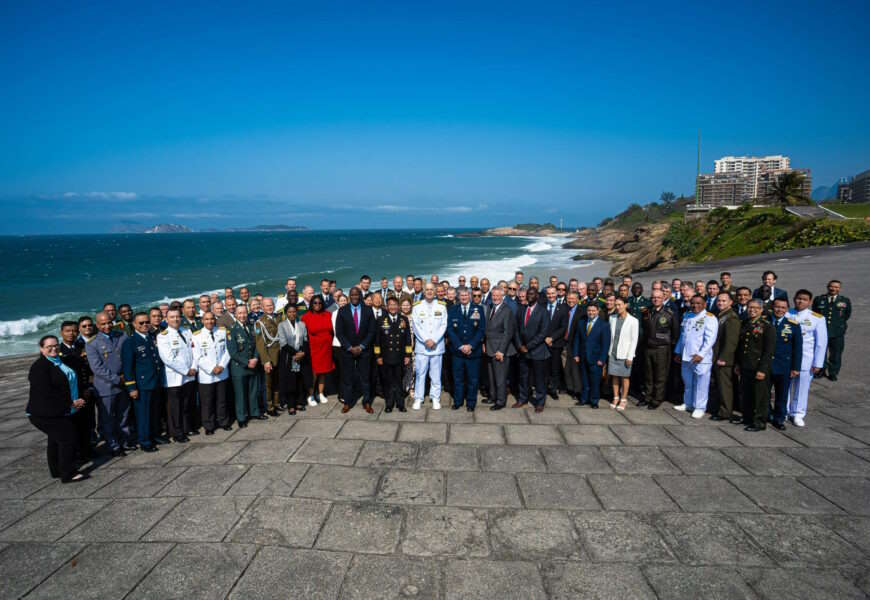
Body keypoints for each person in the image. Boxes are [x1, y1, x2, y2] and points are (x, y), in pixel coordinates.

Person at [28, 336, 88, 483]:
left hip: (60, 410)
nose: (53, 348)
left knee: (55, 440)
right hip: (44, 413)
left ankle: (56, 470)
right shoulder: (39, 367)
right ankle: (68, 474)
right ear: (42, 349)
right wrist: (71, 403)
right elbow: (46, 393)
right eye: (49, 347)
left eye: (56, 345)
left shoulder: (60, 361)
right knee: (68, 438)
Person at [86, 310, 131, 456]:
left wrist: (127, 376)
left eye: (109, 323)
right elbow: (97, 368)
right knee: (108, 419)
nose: (107, 326)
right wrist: (117, 379)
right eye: (103, 324)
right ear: (97, 325)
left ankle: (125, 441)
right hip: (106, 387)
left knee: (123, 415)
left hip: (124, 384)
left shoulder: (122, 336)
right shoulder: (92, 344)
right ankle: (113, 446)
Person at [121, 311, 164, 451]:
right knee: (143, 415)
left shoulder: (151, 337)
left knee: (155, 412)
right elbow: (127, 368)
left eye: (147, 322)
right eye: (141, 323)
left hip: (155, 381)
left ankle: (155, 435)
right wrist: (131, 387)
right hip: (142, 384)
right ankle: (144, 441)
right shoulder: (130, 342)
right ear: (134, 324)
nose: (145, 325)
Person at [673, 295, 719, 419]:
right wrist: (678, 352)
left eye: (699, 303)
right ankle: (688, 403)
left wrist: (701, 354)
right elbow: (683, 336)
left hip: (700, 358)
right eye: (693, 303)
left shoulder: (709, 318)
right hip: (686, 356)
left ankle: (700, 407)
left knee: (701, 384)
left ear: (704, 304)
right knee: (688, 382)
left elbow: (710, 340)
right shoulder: (687, 316)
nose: (695, 306)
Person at [786, 290, 828, 427]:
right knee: (784, 386)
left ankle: (798, 413)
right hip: (787, 358)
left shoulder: (817, 318)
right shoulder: (787, 313)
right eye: (798, 298)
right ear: (794, 299)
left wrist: (818, 363)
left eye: (804, 299)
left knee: (802, 387)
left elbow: (821, 343)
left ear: (809, 302)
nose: (800, 301)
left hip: (806, 359)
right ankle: (784, 411)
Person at [156, 307, 198, 442]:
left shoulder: (186, 331)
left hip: (189, 375)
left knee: (187, 403)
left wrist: (193, 367)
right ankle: (177, 433)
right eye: (172, 317)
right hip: (174, 377)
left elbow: (194, 351)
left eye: (177, 316)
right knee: (175, 407)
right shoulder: (163, 336)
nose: (175, 319)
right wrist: (186, 370)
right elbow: (168, 359)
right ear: (166, 319)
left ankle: (187, 428)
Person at [735, 300, 776, 432]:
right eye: (750, 307)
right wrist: (738, 364)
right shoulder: (745, 323)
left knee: (760, 396)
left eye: (755, 308)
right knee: (746, 393)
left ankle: (759, 421)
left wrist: (763, 369)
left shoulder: (767, 326)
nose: (752, 310)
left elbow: (768, 351)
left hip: (758, 366)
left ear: (761, 310)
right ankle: (747, 417)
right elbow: (741, 346)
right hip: (746, 365)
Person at [335, 286, 376, 413]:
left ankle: (367, 402)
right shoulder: (342, 311)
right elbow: (339, 332)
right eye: (352, 295)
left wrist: (362, 346)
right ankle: (348, 402)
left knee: (365, 378)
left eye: (356, 294)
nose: (354, 297)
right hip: (348, 350)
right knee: (347, 378)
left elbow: (371, 331)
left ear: (360, 296)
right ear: (349, 297)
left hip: (364, 350)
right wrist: (349, 347)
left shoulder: (368, 310)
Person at [58, 320, 95, 462]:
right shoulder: (59, 351)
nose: (71, 334)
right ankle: (77, 453)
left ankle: (87, 450)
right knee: (73, 425)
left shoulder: (83, 346)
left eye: (74, 331)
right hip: (71, 394)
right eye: (68, 331)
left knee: (88, 422)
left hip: (85, 391)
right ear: (62, 333)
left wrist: (89, 386)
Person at [447, 288, 486, 412]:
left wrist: (471, 346)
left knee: (472, 379)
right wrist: (460, 346)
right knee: (458, 378)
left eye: (466, 295)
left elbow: (481, 330)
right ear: (458, 297)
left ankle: (471, 403)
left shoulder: (478, 309)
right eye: (461, 295)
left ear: (469, 295)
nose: (463, 297)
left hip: (473, 352)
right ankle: (458, 401)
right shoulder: (453, 309)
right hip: (457, 352)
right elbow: (450, 330)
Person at [193, 311, 232, 434]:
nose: (209, 321)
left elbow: (228, 350)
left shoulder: (221, 332)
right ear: (202, 321)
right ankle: (209, 426)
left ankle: (223, 422)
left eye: (211, 319)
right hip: (207, 375)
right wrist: (211, 368)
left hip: (222, 372)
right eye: (206, 319)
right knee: (207, 402)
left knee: (222, 400)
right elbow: (197, 357)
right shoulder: (196, 336)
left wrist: (221, 366)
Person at [411, 283, 448, 411]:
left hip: (437, 347)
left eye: (432, 290)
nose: (429, 292)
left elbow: (443, 325)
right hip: (422, 347)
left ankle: (435, 398)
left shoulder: (442, 306)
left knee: (436, 374)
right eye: (427, 290)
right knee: (420, 374)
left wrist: (435, 340)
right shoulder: (417, 306)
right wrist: (426, 340)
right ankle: (418, 398)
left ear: (435, 291)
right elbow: (416, 326)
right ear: (423, 291)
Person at [641, 289, 679, 410]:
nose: (655, 299)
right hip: (648, 348)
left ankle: (657, 399)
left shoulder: (669, 313)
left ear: (663, 298)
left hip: (662, 349)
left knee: (660, 376)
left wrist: (669, 347)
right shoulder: (647, 312)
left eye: (658, 297)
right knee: (648, 375)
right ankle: (647, 397)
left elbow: (675, 333)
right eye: (653, 297)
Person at [513, 287, 550, 412]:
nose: (529, 296)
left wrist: (528, 346)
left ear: (537, 296)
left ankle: (540, 402)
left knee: (539, 378)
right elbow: (516, 329)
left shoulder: (543, 312)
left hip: (537, 351)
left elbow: (543, 333)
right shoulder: (521, 310)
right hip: (522, 351)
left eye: (532, 294)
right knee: (523, 377)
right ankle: (522, 399)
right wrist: (519, 345)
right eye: (528, 294)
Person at [227, 304, 264, 427]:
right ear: (236, 315)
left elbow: (257, 344)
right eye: (240, 313)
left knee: (253, 391)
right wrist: (247, 362)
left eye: (244, 313)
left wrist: (255, 358)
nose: (242, 315)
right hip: (240, 367)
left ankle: (254, 412)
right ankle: (241, 417)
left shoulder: (251, 327)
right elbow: (232, 352)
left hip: (253, 364)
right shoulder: (231, 330)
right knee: (240, 394)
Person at [768, 298, 802, 430]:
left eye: (783, 308)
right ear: (772, 307)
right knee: (764, 393)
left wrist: (796, 367)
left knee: (781, 395)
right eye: (777, 307)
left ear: (787, 309)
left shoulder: (793, 324)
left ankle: (779, 419)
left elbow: (797, 348)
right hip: (766, 365)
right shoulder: (765, 321)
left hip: (784, 366)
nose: (779, 310)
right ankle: (766, 414)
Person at [374, 297, 412, 412]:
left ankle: (400, 403)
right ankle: (389, 403)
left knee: (399, 381)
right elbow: (377, 340)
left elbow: (407, 339)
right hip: (386, 357)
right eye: (390, 305)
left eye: (395, 304)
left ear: (398, 306)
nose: (393, 307)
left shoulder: (403, 319)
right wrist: (378, 356)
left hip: (400, 356)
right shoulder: (381, 320)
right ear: (387, 306)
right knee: (388, 381)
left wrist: (407, 355)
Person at [484, 286, 516, 411]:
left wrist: (501, 351)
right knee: (491, 376)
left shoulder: (507, 310)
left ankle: (501, 401)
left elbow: (508, 333)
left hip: (500, 350)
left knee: (500, 378)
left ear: (503, 297)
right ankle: (493, 396)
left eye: (498, 296)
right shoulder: (490, 308)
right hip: (490, 347)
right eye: (493, 296)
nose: (495, 298)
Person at [710, 292, 741, 422]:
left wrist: (723, 358)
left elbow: (731, 341)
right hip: (717, 356)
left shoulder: (731, 318)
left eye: (724, 301)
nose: (720, 303)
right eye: (719, 301)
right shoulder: (720, 315)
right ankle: (720, 408)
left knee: (725, 386)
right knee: (719, 385)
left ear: (730, 303)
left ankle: (725, 412)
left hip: (724, 359)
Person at [573, 303, 610, 408]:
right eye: (589, 310)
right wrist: (576, 354)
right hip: (583, 356)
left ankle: (594, 401)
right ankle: (584, 399)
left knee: (595, 381)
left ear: (598, 311)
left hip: (596, 358)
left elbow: (605, 344)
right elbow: (577, 339)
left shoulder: (604, 325)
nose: (591, 313)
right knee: (584, 380)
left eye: (593, 311)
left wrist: (602, 359)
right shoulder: (581, 322)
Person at [812, 279, 850, 381]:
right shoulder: (819, 299)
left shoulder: (844, 301)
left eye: (836, 287)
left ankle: (833, 372)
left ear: (840, 289)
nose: (833, 289)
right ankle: (820, 371)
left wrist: (838, 325)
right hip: (821, 331)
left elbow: (846, 315)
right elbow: (814, 313)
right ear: (828, 287)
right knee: (821, 352)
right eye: (832, 286)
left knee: (836, 353)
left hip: (837, 332)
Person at [302, 295, 335, 406]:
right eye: (315, 303)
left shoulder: (328, 314)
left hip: (326, 348)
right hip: (314, 349)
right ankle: (311, 395)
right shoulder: (306, 317)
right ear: (311, 304)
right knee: (314, 373)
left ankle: (320, 393)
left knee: (323, 373)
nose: (317, 305)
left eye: (320, 303)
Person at [607, 297, 639, 411]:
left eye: (620, 304)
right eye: (616, 305)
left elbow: (634, 340)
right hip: (613, 352)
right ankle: (616, 397)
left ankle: (624, 399)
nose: (617, 307)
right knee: (614, 376)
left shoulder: (633, 321)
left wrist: (630, 356)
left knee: (625, 378)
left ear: (626, 305)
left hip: (625, 354)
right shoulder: (612, 318)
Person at [278, 304, 309, 415]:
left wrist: (302, 353)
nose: (292, 314)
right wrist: (295, 354)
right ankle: (291, 405)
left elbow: (305, 340)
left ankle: (299, 402)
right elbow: (283, 343)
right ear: (286, 313)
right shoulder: (281, 325)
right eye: (290, 312)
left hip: (300, 355)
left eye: (294, 312)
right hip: (288, 356)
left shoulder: (301, 324)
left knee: (300, 380)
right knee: (290, 382)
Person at [254, 298, 283, 416]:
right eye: (267, 306)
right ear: (262, 308)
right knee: (268, 384)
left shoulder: (279, 318)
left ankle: (277, 403)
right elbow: (260, 344)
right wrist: (266, 361)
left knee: (277, 381)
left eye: (271, 305)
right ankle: (269, 407)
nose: (270, 307)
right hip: (269, 356)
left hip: (279, 355)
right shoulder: (259, 322)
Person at [542, 287, 569, 400]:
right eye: (548, 294)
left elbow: (563, 327)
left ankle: (553, 389)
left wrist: (552, 338)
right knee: (544, 367)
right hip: (542, 342)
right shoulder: (542, 306)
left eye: (553, 293)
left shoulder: (563, 308)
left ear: (557, 294)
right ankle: (543, 387)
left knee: (555, 368)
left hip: (556, 343)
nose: (551, 295)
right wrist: (544, 338)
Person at [561, 291, 583, 402]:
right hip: (564, 343)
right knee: (565, 367)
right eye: (568, 298)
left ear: (577, 299)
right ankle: (569, 388)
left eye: (573, 298)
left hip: (575, 344)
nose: (570, 300)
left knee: (575, 369)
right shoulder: (564, 309)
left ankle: (577, 391)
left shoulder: (581, 311)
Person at [331, 293, 348, 401]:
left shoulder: (351, 312)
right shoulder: (335, 313)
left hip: (349, 346)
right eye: (341, 301)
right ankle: (342, 394)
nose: (343, 302)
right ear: (337, 302)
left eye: (344, 300)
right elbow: (336, 331)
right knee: (342, 371)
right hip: (338, 345)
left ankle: (348, 391)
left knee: (348, 370)